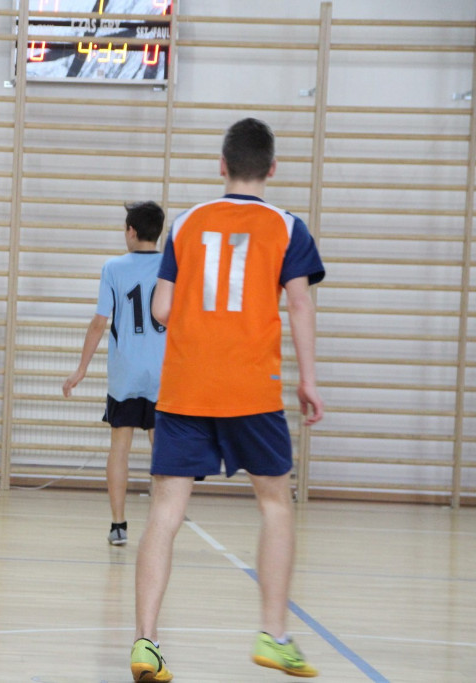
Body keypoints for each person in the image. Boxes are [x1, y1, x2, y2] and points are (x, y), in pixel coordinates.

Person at [129, 118, 325, 681]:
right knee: (275, 505)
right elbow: (300, 306)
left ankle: (146, 643)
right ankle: (274, 635)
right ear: (272, 169)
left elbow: (161, 309)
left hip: (186, 387)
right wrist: (309, 381)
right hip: (251, 388)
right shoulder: (288, 228)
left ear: (222, 166)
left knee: (165, 512)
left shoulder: (187, 223)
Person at [62, 201, 166, 546]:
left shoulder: (113, 268)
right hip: (163, 372)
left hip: (126, 374)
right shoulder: (173, 266)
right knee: (161, 450)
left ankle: (118, 526)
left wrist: (81, 369)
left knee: (119, 447)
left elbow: (98, 323)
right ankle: (161, 525)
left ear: (131, 231)